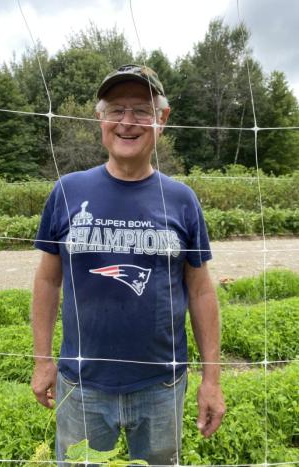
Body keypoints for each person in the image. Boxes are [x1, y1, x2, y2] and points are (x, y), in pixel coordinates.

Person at [31, 64, 226, 465]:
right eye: (117, 109)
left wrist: (212, 380)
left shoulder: (182, 199)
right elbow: (48, 282)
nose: (128, 122)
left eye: (141, 110)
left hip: (161, 387)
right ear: (100, 118)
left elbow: (201, 290)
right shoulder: (68, 191)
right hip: (81, 385)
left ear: (162, 120)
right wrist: (42, 360)